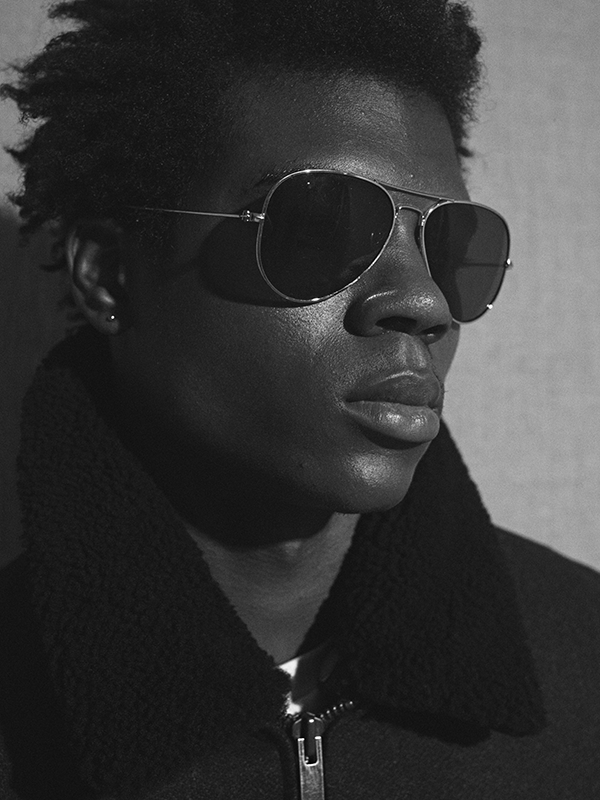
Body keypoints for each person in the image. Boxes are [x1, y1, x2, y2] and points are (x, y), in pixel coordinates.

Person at [1, 0, 599, 797]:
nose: (423, 303)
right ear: (111, 276)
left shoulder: (583, 656)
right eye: (320, 228)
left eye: (453, 246)